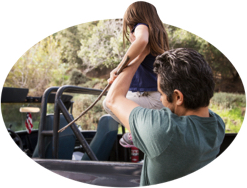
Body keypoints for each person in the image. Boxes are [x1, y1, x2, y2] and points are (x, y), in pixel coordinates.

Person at [105, 48, 225, 186]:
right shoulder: (217, 125)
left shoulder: (164, 130)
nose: (161, 100)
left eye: (161, 94)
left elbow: (112, 100)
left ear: (178, 97)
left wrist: (139, 57)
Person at [103, 1, 169, 147]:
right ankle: (140, 131)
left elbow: (142, 39)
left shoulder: (141, 26)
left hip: (152, 98)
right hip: (156, 96)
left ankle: (138, 133)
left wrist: (119, 68)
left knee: (108, 103)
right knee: (118, 98)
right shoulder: (158, 33)